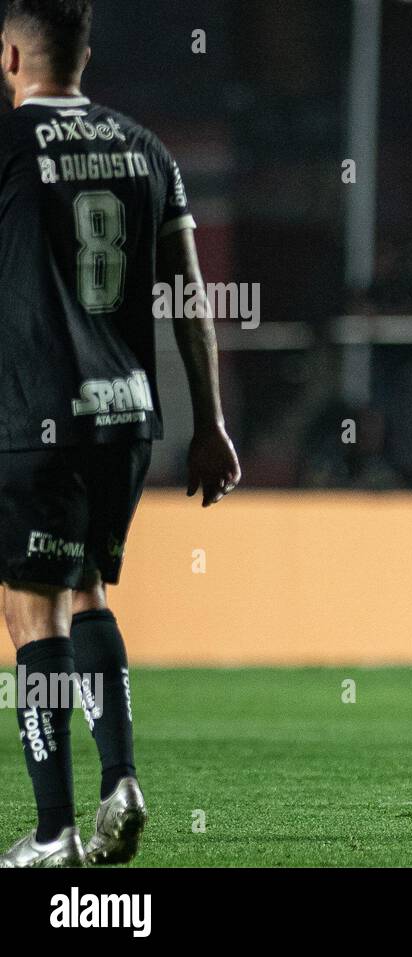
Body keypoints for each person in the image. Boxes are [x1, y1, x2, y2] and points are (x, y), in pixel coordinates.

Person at [0, 0, 240, 867]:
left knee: (32, 615)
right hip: (129, 413)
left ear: (10, 56)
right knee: (92, 590)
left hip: (33, 413)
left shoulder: (9, 146)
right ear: (86, 56)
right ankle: (122, 779)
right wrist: (209, 423)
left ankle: (57, 829)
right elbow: (191, 298)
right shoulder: (149, 149)